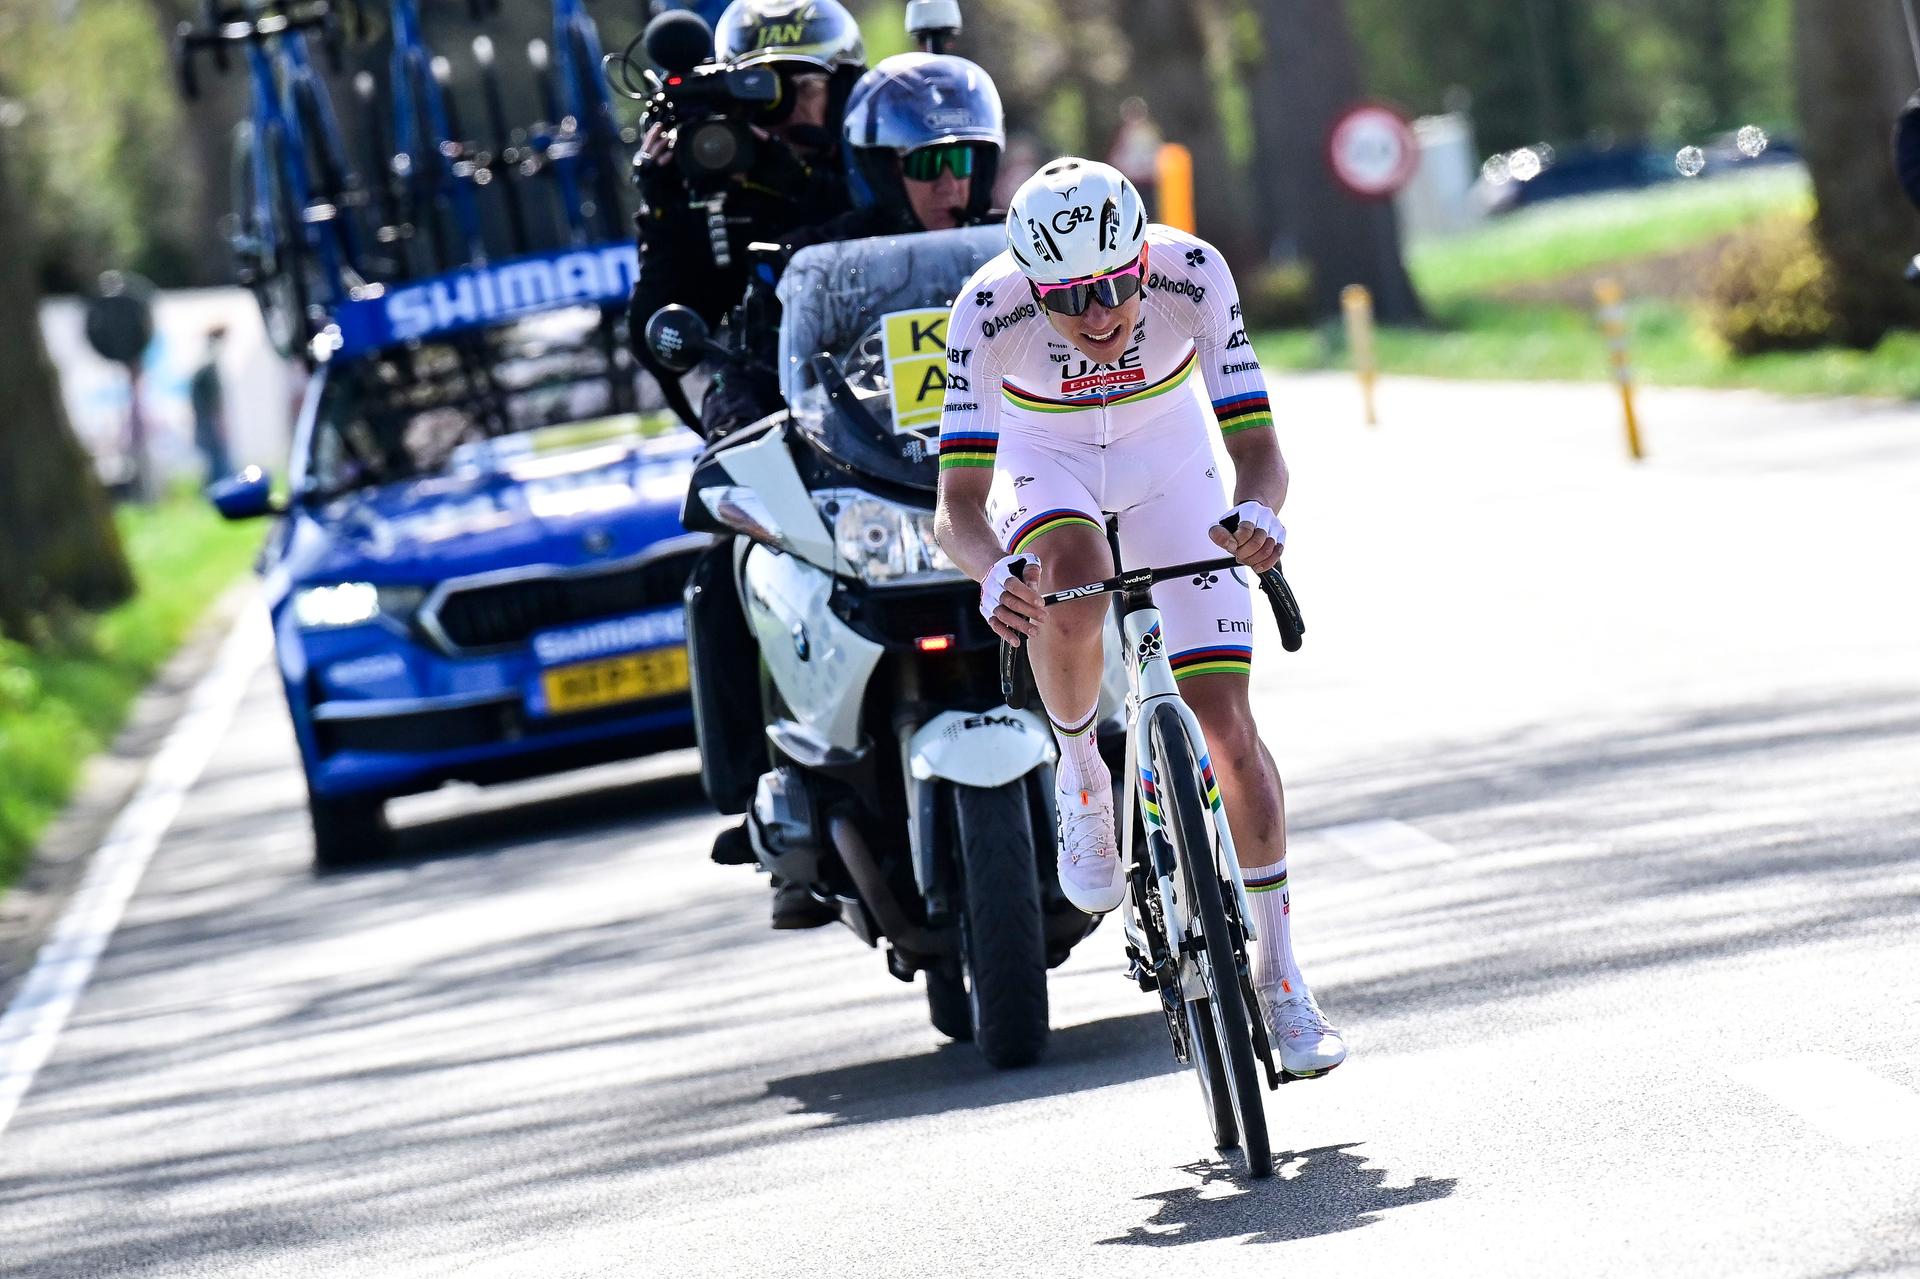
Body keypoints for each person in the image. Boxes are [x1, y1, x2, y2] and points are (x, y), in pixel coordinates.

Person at [930, 158, 1346, 1077]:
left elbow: (1259, 449)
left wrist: (1263, 515)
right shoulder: (985, 312)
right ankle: (1082, 777)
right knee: (1071, 575)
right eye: (1070, 298)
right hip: (1047, 462)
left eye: (1116, 284)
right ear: (1030, 284)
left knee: (1230, 732)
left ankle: (1282, 979)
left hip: (1170, 461)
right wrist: (992, 572)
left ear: (1142, 259)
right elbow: (956, 506)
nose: (1100, 313)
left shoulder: (1191, 273)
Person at [696, 50, 1009, 931]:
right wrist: (740, 425)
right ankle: (768, 800)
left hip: (994, 497)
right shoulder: (820, 264)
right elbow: (761, 368)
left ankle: (1161, 768)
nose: (953, 184)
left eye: (966, 161)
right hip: (872, 498)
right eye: (928, 165)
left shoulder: (1018, 257)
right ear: (877, 166)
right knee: (733, 569)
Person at [627, 0, 867, 439]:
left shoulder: (880, 171)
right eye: (765, 91)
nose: (783, 111)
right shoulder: (724, 197)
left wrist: (800, 183)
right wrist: (664, 215)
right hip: (781, 414)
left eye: (806, 88)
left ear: (844, 96)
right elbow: (661, 342)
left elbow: (892, 235)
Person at [189, 325, 232, 484]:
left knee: (215, 467)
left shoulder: (202, 364)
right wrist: (221, 426)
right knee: (220, 470)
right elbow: (215, 402)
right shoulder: (210, 367)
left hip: (205, 426)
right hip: (211, 427)